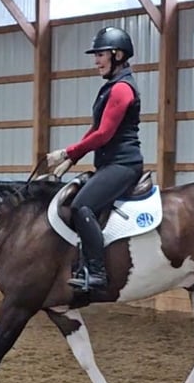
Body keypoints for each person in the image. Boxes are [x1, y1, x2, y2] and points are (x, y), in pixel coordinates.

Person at [46, 26, 144, 291]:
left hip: (123, 165)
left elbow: (103, 134)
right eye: (96, 55)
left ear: (118, 54)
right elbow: (95, 128)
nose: (96, 61)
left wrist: (66, 152)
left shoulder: (122, 89)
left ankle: (97, 273)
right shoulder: (110, 88)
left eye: (100, 54)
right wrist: (73, 159)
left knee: (82, 206)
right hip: (110, 163)